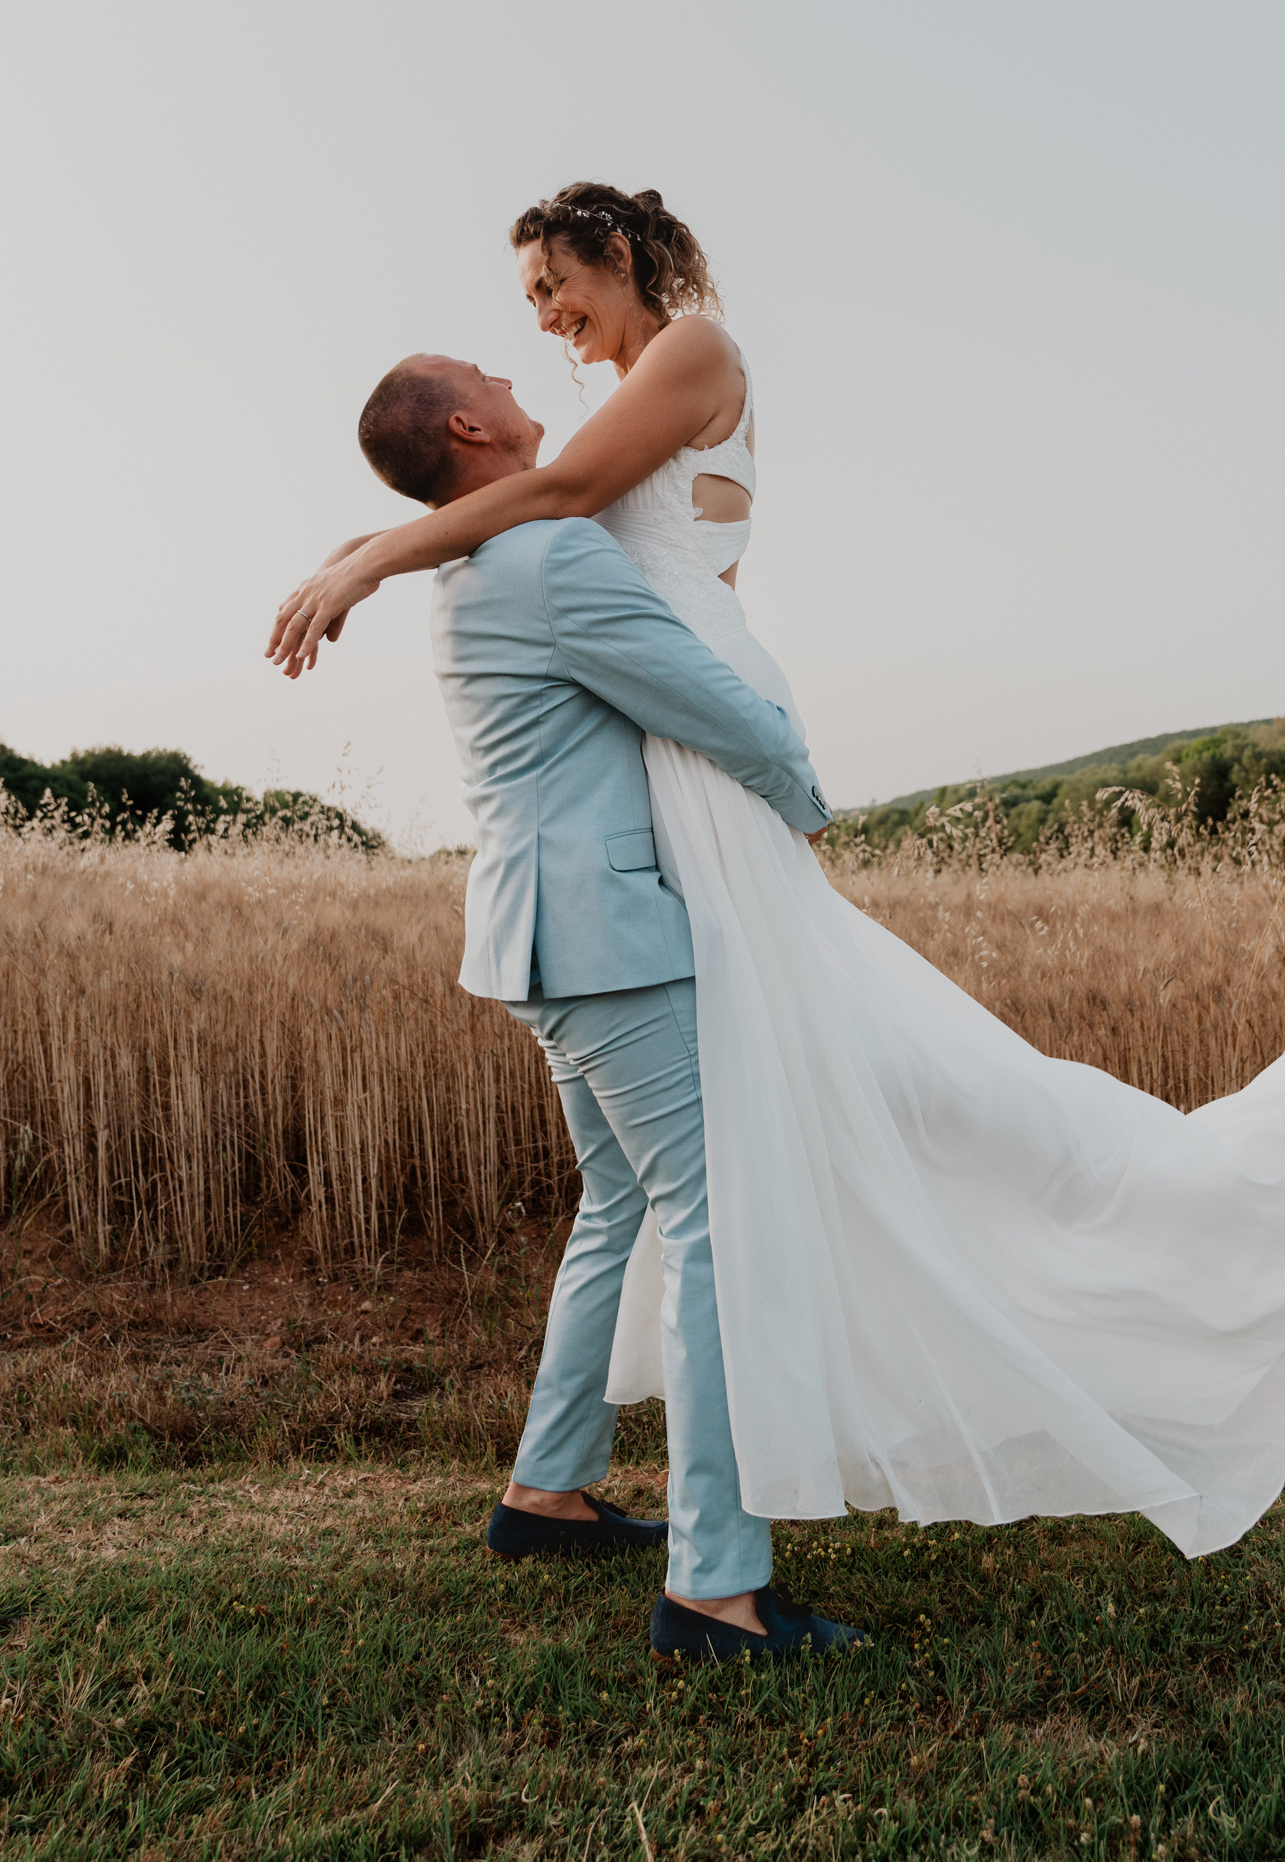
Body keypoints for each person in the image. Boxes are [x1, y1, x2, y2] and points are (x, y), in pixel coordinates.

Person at [270, 182, 1285, 1565]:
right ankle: (619, 1522)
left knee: (748, 1132)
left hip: (678, 753)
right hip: (662, 775)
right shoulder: (555, 494)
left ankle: (607, 1493)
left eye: (552, 286)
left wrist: (364, 555)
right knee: (677, 1184)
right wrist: (381, 547)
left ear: (616, 251)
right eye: (523, 313)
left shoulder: (691, 351)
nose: (538, 323)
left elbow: (555, 497)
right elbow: (536, 510)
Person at [348, 351, 865, 1663]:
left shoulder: (470, 568)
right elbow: (700, 703)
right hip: (610, 941)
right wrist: (804, 794)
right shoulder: (550, 561)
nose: (519, 373)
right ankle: (717, 1588)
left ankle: (548, 1484)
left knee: (621, 1203)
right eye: (489, 375)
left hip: (539, 939)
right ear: (470, 423)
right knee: (710, 1224)